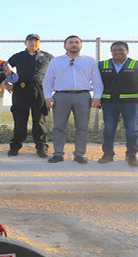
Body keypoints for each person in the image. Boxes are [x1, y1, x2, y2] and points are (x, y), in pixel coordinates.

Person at [42, 36, 103, 164]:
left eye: (76, 42)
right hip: (61, 96)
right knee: (59, 127)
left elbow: (97, 80)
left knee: (82, 127)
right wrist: (48, 96)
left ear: (81, 45)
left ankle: (79, 154)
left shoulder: (89, 61)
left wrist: (97, 97)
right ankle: (58, 153)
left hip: (83, 96)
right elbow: (47, 81)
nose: (73, 45)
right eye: (70, 43)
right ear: (65, 46)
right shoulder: (56, 61)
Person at [97, 42, 138, 167]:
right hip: (109, 103)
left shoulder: (137, 65)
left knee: (132, 130)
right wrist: (97, 98)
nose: (117, 52)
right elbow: (97, 84)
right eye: (114, 50)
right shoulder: (102, 65)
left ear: (127, 51)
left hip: (131, 104)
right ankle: (108, 154)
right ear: (111, 51)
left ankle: (131, 155)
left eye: (121, 50)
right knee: (108, 129)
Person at [5, 34, 54, 158]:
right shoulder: (17, 57)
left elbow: (57, 72)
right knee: (20, 119)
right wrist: (5, 83)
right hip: (21, 90)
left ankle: (42, 147)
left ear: (40, 43)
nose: (33, 43)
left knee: (40, 120)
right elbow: (5, 70)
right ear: (25, 43)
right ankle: (15, 146)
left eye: (36, 41)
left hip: (40, 90)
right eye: (30, 41)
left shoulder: (47, 57)